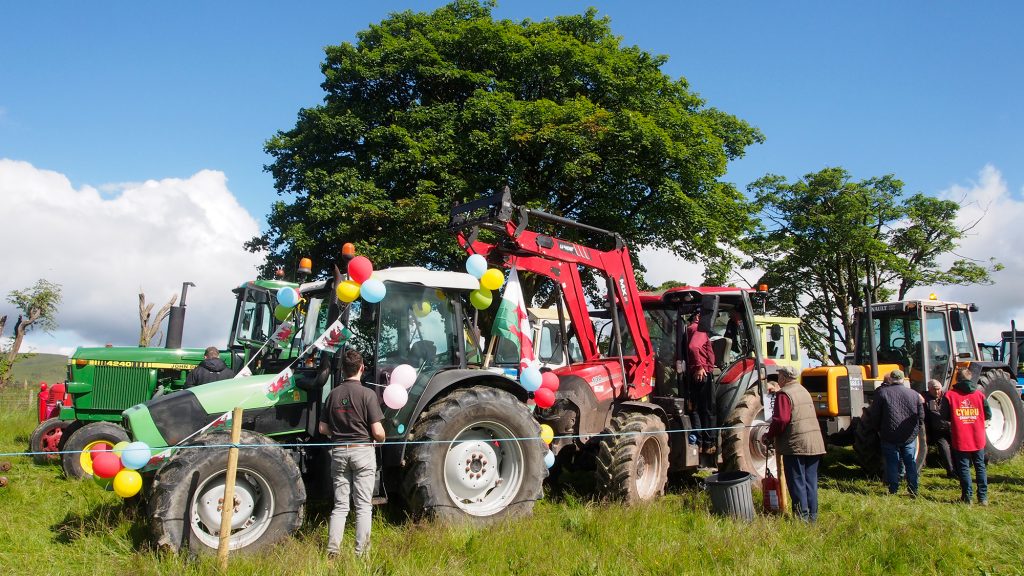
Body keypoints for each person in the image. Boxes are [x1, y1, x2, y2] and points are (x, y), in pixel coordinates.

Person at [318, 349, 386, 557]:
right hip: (363, 452)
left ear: (343, 370)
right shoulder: (368, 394)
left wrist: (338, 434)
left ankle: (332, 553)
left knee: (340, 506)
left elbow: (322, 428)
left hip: (338, 452)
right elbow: (377, 432)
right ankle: (361, 555)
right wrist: (381, 438)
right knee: (363, 506)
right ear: (362, 368)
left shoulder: (332, 394)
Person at [762, 365, 826, 521]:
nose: (778, 379)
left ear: (784, 377)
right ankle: (812, 517)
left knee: (797, 482)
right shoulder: (803, 391)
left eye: (779, 376)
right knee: (810, 482)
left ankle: (801, 518)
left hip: (796, 444)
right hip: (815, 443)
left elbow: (781, 420)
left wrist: (768, 436)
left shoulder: (784, 395)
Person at [863, 369, 925, 497]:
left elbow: (875, 416)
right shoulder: (914, 394)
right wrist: (915, 431)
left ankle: (893, 489)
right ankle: (913, 489)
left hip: (888, 435)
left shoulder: (882, 394)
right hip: (909, 436)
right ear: (903, 379)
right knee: (910, 462)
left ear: (891, 379)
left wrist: (879, 430)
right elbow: (921, 417)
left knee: (891, 463)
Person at [941, 367, 991, 505]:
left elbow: (943, 416)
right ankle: (983, 497)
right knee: (980, 466)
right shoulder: (980, 395)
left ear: (957, 379)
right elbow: (989, 414)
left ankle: (967, 497)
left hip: (960, 437)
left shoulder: (950, 395)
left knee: (964, 468)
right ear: (970, 378)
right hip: (977, 437)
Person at [686, 311, 717, 454]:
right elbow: (694, 347)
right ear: (699, 316)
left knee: (696, 410)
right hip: (703, 373)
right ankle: (708, 443)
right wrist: (700, 366)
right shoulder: (699, 329)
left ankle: (698, 442)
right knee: (708, 409)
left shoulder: (690, 328)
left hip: (694, 373)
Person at [923, 379, 954, 477]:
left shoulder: (947, 397)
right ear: (929, 389)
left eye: (938, 389)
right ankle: (950, 470)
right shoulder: (925, 399)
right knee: (943, 447)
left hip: (950, 427)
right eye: (934, 389)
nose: (937, 392)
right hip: (937, 430)